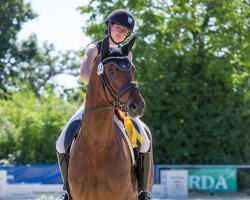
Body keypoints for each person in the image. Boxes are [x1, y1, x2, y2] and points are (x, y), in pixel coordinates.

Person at [56, 9, 152, 200]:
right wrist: (99, 87)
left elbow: (127, 80)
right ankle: (67, 190)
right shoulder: (94, 49)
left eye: (125, 31)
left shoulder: (127, 54)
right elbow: (85, 72)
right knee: (61, 143)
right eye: (119, 27)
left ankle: (143, 190)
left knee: (145, 140)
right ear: (109, 26)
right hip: (94, 104)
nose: (121, 32)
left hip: (117, 105)